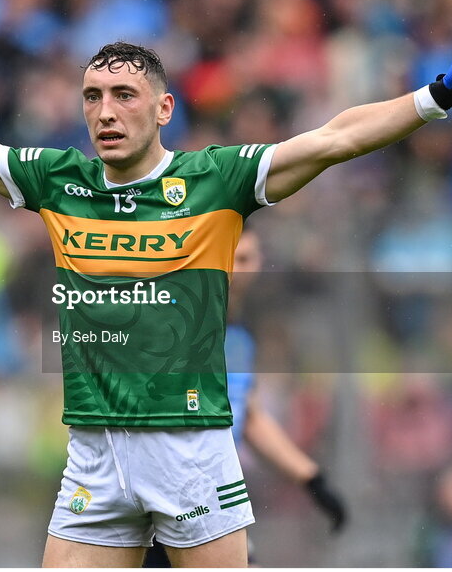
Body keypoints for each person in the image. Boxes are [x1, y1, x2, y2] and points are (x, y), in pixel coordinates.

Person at [0, 27, 452, 567]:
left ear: (163, 108)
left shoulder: (215, 180)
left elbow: (333, 139)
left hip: (189, 451)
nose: (104, 110)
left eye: (123, 95)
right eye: (92, 96)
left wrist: (438, 96)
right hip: (94, 453)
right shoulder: (58, 178)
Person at [142, 231, 347, 568]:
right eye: (229, 257)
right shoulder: (176, 326)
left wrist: (312, 480)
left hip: (210, 500)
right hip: (167, 505)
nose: (236, 269)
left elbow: (247, 416)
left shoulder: (237, 337)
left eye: (245, 259)